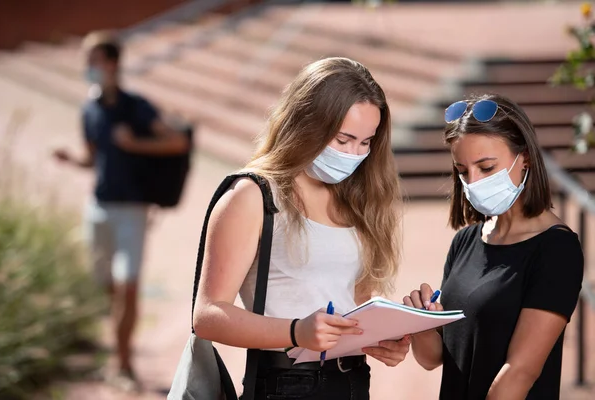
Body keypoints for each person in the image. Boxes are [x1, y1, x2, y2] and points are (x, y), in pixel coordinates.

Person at [192, 57, 410, 400]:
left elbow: (351, 304)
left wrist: (381, 338)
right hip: (286, 385)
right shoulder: (253, 195)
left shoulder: (358, 198)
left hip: (353, 382)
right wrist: (297, 332)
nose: (354, 155)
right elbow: (207, 315)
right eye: (343, 139)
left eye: (366, 142)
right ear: (307, 123)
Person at [404, 94, 584, 399]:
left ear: (524, 158)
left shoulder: (557, 249)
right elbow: (433, 359)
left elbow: (521, 370)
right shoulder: (466, 241)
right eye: (463, 171)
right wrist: (421, 321)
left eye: (486, 168)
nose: (473, 182)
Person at [52, 30, 189, 390]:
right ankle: (118, 350)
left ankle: (124, 365)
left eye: (94, 60)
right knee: (106, 288)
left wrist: (135, 142)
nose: (89, 68)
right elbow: (93, 158)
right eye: (87, 61)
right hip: (98, 209)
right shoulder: (90, 108)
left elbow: (176, 142)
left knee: (128, 288)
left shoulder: (136, 106)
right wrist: (72, 159)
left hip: (132, 210)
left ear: (112, 64)